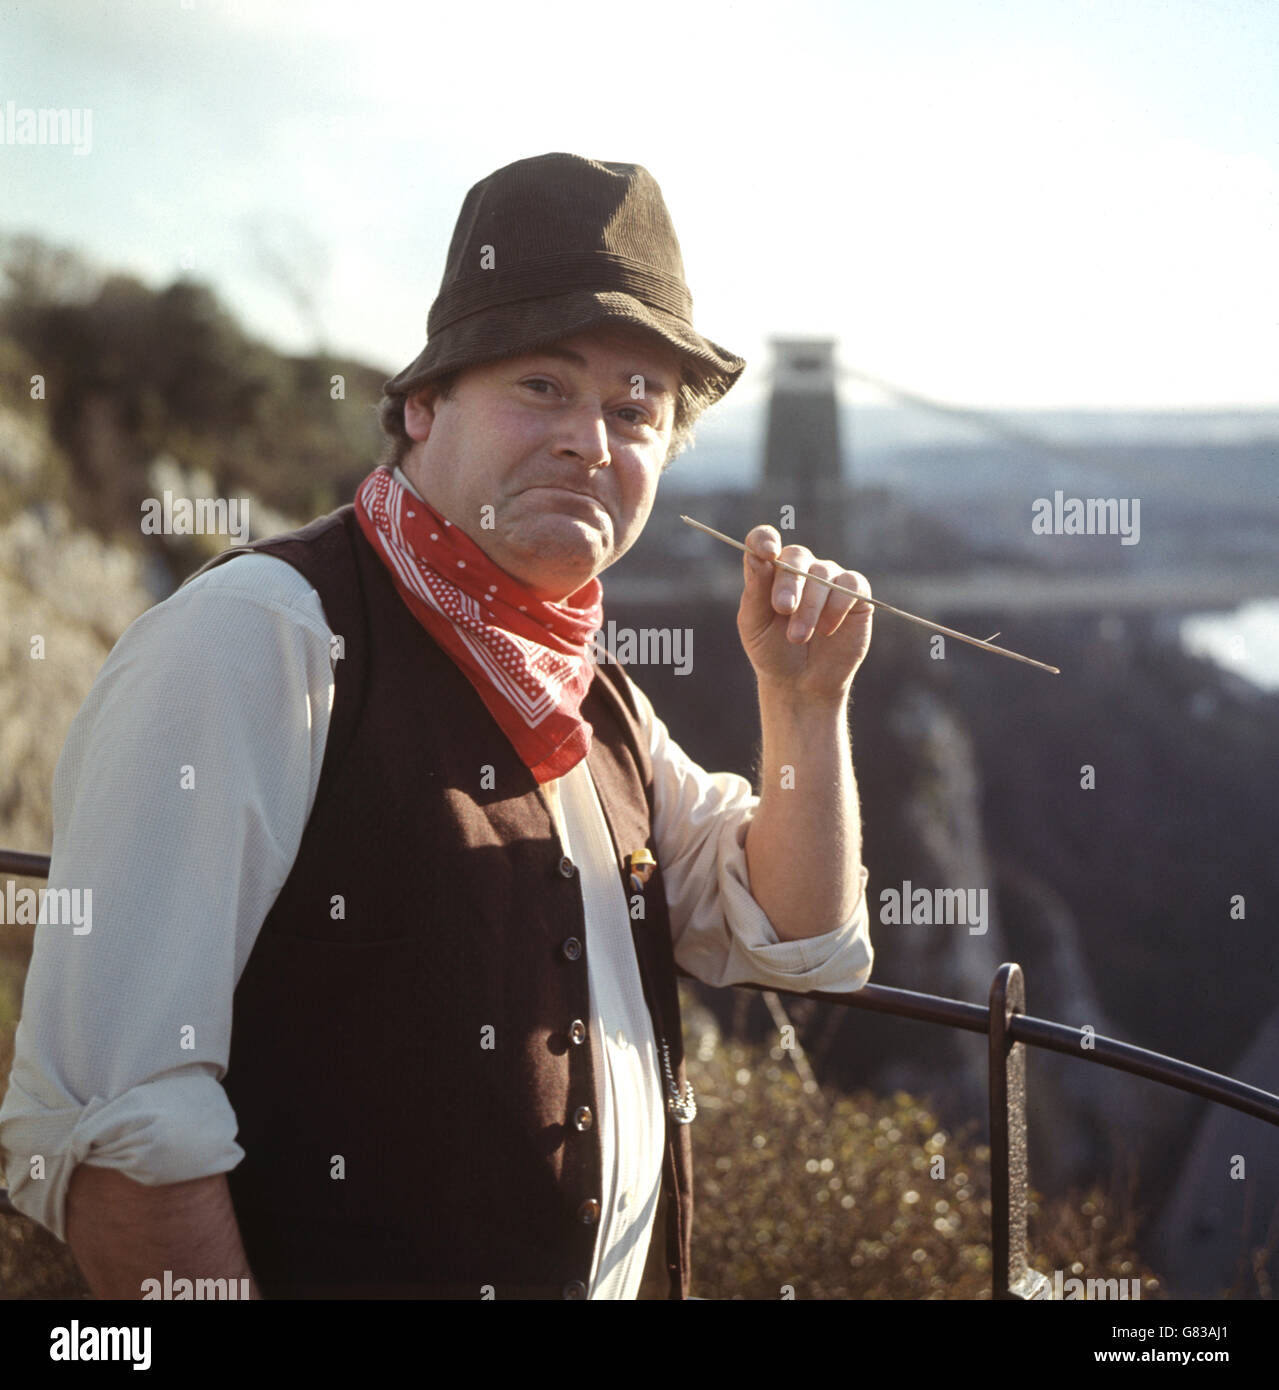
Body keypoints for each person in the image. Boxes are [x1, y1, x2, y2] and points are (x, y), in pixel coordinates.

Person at [0, 153, 875, 1300]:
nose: (589, 442)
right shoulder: (257, 637)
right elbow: (118, 1139)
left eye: (634, 409)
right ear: (422, 406)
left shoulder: (593, 695)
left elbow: (793, 936)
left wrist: (803, 704)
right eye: (542, 388)